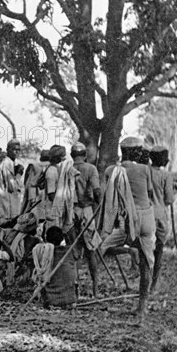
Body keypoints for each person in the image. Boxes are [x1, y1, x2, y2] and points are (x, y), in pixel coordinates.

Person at [100, 136, 156, 318]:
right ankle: (142, 306)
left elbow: (107, 196)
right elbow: (148, 192)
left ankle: (127, 251)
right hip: (146, 216)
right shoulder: (145, 169)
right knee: (146, 262)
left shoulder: (111, 170)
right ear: (136, 152)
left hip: (127, 220)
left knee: (101, 247)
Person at [70, 142, 102, 297]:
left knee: (73, 251)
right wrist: (100, 206)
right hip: (86, 211)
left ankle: (74, 290)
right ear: (85, 155)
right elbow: (96, 191)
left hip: (70, 211)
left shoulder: (67, 168)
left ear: (71, 155)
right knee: (91, 251)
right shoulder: (91, 169)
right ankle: (95, 290)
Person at [33, 226, 79, 309]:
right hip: (70, 300)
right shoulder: (70, 251)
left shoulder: (43, 252)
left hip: (51, 300)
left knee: (38, 276)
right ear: (62, 239)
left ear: (46, 238)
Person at [149, 146, 175, 292]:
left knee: (145, 250)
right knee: (159, 250)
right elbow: (169, 199)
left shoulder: (145, 171)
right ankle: (154, 284)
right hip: (160, 216)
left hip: (146, 214)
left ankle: (145, 281)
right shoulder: (166, 176)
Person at [0, 139, 24, 226]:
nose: (17, 152)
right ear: (8, 150)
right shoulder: (7, 163)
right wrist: (19, 174)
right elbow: (12, 187)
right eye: (14, 150)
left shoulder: (11, 162)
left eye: (18, 150)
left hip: (3, 207)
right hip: (4, 208)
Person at [43, 145, 78, 235]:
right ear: (57, 157)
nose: (64, 158)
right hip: (53, 211)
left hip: (58, 210)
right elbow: (51, 195)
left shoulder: (59, 170)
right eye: (62, 155)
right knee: (54, 235)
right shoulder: (52, 171)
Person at [21, 149, 49, 220]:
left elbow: (26, 183)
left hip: (33, 193)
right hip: (36, 194)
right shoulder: (44, 166)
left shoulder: (33, 165)